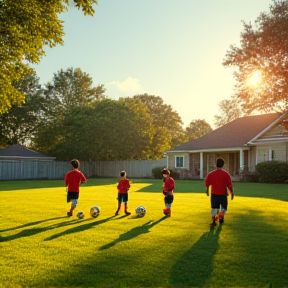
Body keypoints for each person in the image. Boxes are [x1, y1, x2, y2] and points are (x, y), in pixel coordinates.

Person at [205, 157, 234, 226]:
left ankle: (214, 220)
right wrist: (232, 192)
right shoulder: (226, 174)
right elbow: (229, 184)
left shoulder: (211, 174)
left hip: (214, 194)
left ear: (216, 164)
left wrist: (207, 191)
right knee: (224, 207)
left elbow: (207, 183)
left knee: (214, 208)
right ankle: (221, 217)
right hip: (223, 194)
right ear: (223, 165)